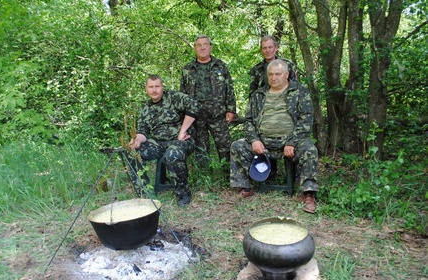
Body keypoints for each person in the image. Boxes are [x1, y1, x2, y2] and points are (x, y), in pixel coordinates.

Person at [230, 59, 319, 213]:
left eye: (278, 74)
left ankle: (308, 193)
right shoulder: (259, 95)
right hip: (264, 141)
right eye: (270, 74)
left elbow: (306, 119)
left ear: (287, 75)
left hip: (290, 141)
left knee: (309, 149)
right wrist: (254, 140)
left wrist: (292, 142)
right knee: (237, 146)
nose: (273, 77)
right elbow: (249, 120)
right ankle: (246, 186)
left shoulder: (298, 91)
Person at [128, 75, 201, 206]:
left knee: (172, 155)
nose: (154, 90)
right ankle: (144, 192)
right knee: (134, 153)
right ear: (146, 89)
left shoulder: (174, 97)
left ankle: (183, 193)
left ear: (162, 87)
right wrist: (137, 139)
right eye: (151, 87)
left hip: (181, 140)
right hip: (158, 143)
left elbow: (195, 105)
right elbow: (143, 131)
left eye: (157, 86)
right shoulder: (145, 108)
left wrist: (183, 131)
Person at [180, 34, 237, 167]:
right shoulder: (188, 69)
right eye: (199, 45)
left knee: (225, 146)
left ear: (210, 47)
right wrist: (184, 114)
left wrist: (231, 109)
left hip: (218, 114)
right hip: (196, 116)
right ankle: (204, 178)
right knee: (201, 149)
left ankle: (228, 176)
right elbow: (182, 94)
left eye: (205, 44)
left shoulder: (220, 66)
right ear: (195, 48)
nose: (202, 48)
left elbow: (229, 88)